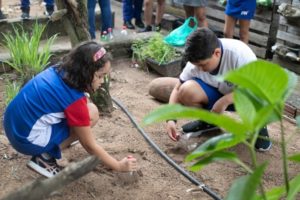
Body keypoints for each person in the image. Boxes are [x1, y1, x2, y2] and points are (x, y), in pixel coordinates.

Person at [3, 41, 137, 178]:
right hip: (25, 140)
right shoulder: (73, 99)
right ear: (85, 73)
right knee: (91, 114)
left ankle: (51, 144)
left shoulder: (60, 70)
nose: (102, 81)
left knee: (87, 111)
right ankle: (45, 157)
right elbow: (89, 145)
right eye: (100, 76)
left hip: (12, 125)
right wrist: (118, 166)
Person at [164, 27, 271, 151]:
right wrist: (170, 119)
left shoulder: (240, 54)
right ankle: (209, 122)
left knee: (261, 145)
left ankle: (259, 125)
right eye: (197, 66)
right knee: (186, 90)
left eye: (203, 65)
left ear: (217, 53)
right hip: (220, 91)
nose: (200, 69)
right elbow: (177, 89)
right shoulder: (196, 61)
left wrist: (224, 102)